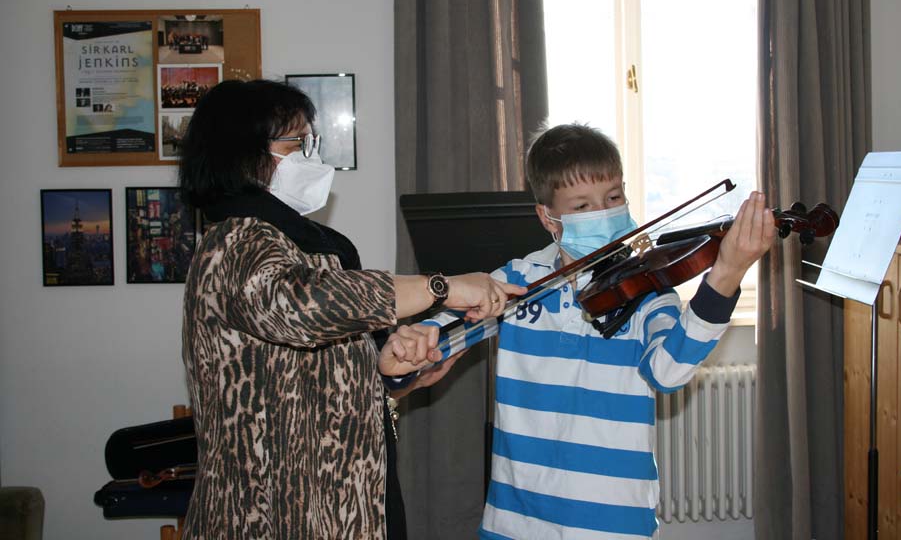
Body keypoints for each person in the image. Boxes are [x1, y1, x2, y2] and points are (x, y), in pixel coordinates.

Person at [177, 79, 524, 540]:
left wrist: (392, 374)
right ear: (243, 155)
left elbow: (315, 382)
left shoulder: (299, 247)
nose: (311, 157)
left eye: (311, 142)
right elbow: (304, 307)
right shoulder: (234, 243)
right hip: (269, 516)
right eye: (297, 144)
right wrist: (442, 288)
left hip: (342, 504)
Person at [425, 123, 775, 539]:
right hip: (515, 521)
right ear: (548, 217)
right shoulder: (518, 280)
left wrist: (726, 275)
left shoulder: (647, 292)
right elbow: (447, 333)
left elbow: (667, 372)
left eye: (613, 197)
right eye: (582, 206)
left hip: (613, 524)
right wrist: (420, 339)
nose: (604, 213)